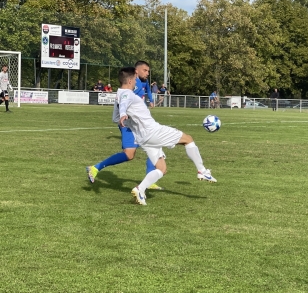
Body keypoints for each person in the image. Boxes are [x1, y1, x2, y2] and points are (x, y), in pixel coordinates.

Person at [114, 67, 216, 205]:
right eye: (135, 79)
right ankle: (202, 170)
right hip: (153, 131)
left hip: (143, 138)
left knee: (161, 169)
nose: (136, 82)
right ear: (131, 80)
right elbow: (123, 106)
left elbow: (116, 116)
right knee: (188, 139)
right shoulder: (127, 94)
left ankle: (140, 189)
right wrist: (123, 114)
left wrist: (124, 118)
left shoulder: (119, 94)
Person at [86, 61, 161, 189]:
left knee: (149, 146)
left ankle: (150, 180)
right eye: (145, 70)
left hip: (137, 123)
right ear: (136, 72)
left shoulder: (141, 83)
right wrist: (123, 114)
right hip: (128, 123)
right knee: (132, 153)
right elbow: (124, 100)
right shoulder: (133, 84)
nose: (148, 73)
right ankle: (95, 168)